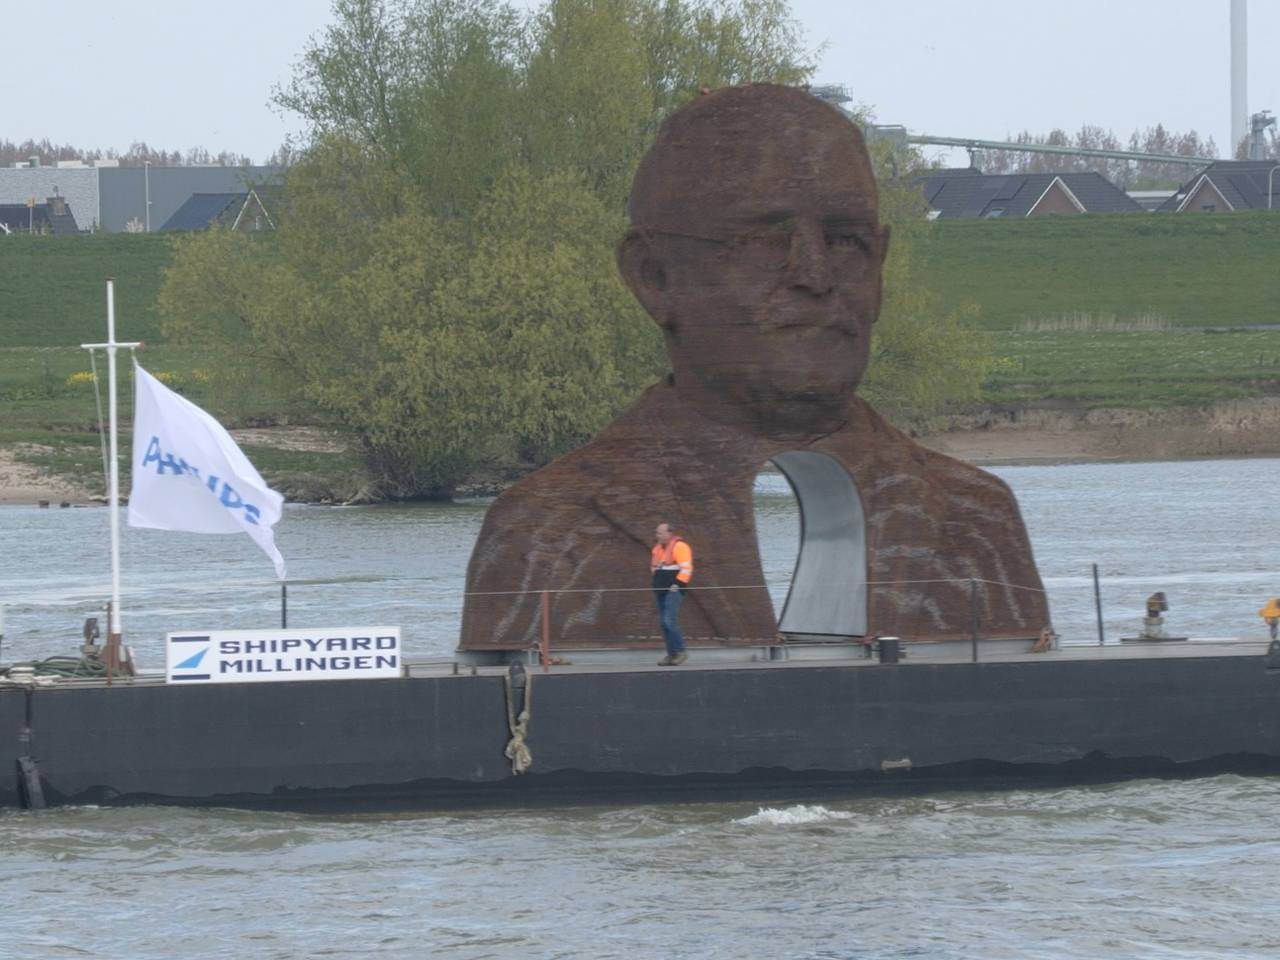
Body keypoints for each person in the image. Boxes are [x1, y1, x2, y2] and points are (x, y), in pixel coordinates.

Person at [460, 84, 1048, 655]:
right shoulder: (544, 533)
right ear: (655, 276)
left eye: (845, 241)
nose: (815, 276)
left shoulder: (978, 516)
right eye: (764, 241)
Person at [651, 523, 693, 665]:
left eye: (660, 533)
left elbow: (686, 569)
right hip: (660, 590)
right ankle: (671, 654)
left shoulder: (680, 547)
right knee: (664, 623)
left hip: (674, 590)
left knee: (669, 620)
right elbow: (655, 568)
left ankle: (681, 651)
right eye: (657, 533)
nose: (658, 536)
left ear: (670, 533)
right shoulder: (657, 549)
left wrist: (677, 585)